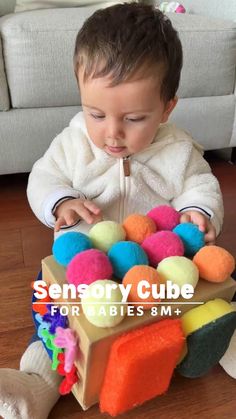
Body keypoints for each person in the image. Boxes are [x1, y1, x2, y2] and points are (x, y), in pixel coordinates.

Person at [0, 3, 223, 419]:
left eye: (135, 118)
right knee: (52, 300)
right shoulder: (73, 144)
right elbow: (42, 178)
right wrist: (60, 202)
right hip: (88, 262)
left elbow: (201, 183)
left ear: (167, 108)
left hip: (156, 264)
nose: (111, 133)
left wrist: (198, 211)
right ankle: (41, 379)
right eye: (96, 113)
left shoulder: (177, 149)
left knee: (206, 284)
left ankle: (220, 341)